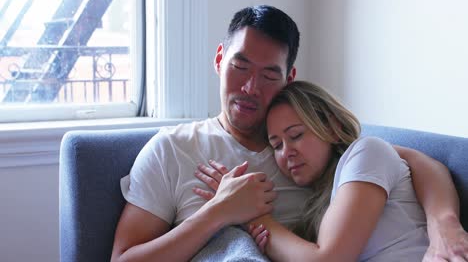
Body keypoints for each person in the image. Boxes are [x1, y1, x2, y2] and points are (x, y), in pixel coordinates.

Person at [110, 5, 467, 261]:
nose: (251, 87)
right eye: (240, 66)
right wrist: (219, 212)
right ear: (219, 60)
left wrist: (444, 225)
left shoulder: (317, 153)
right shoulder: (172, 149)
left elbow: (416, 161)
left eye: (269, 75)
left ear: (288, 78)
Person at [194, 80, 459, 261]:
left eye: (296, 135)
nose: (286, 152)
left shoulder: (366, 153)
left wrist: (251, 214)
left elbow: (328, 259)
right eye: (276, 145)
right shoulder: (324, 199)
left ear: (331, 127)